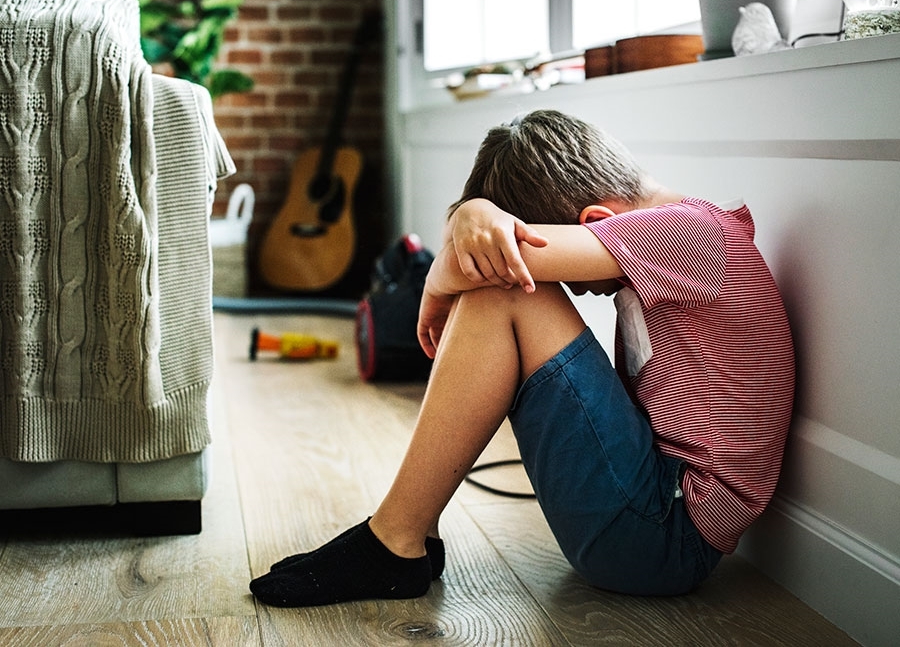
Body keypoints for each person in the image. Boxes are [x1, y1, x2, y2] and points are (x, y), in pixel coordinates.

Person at [249, 109, 795, 607]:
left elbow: (490, 267)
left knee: (504, 288)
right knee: (504, 279)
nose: (582, 291)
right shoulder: (687, 231)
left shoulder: (692, 236)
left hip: (660, 535)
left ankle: (393, 540)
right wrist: (473, 217)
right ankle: (411, 532)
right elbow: (490, 249)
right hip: (656, 517)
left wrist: (436, 283)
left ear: (596, 220)